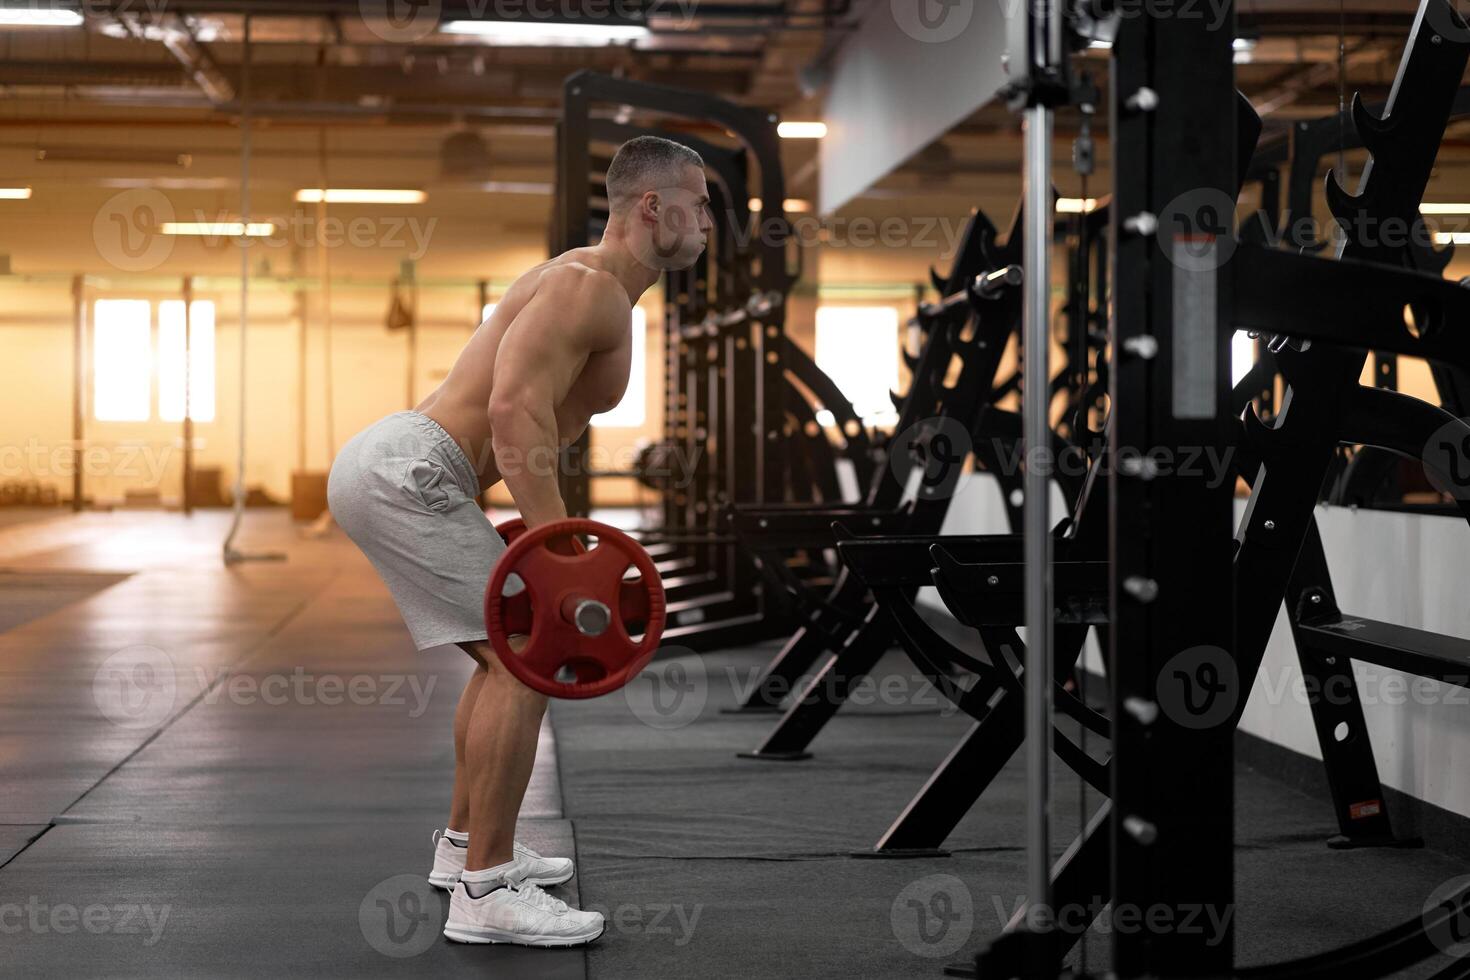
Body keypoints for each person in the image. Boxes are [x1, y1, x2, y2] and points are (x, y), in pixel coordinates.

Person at [327, 136, 711, 947]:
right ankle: (487, 891)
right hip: (412, 469)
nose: (709, 221)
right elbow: (511, 415)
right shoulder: (589, 289)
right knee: (528, 658)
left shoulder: (592, 285)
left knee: (500, 654)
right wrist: (559, 552)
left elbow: (525, 418)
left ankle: (465, 847)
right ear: (654, 207)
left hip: (403, 465)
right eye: (700, 203)